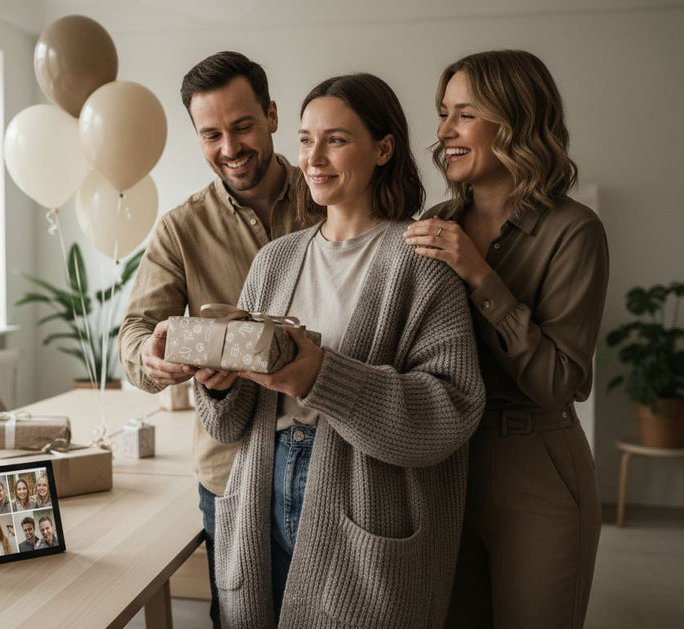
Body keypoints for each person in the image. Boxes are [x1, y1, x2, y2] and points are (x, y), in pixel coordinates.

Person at [194, 73, 484, 627]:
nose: (314, 158)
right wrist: (218, 386)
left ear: (383, 149)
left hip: (364, 499)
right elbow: (230, 426)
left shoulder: (421, 264)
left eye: (337, 140)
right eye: (306, 140)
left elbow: (451, 412)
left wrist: (319, 377)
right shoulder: (274, 261)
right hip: (262, 490)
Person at [405, 50, 607, 629]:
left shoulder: (575, 230)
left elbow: (558, 382)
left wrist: (479, 275)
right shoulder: (434, 221)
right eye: (444, 114)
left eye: (465, 114)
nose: (444, 132)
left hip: (538, 468)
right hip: (445, 467)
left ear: (516, 121)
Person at [118, 50, 316, 627]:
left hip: (327, 464)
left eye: (243, 126)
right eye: (211, 135)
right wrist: (153, 357)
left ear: (272, 115)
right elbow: (135, 334)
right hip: (230, 470)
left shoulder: (329, 197)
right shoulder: (181, 228)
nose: (230, 147)